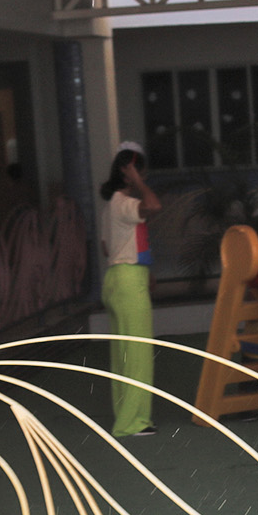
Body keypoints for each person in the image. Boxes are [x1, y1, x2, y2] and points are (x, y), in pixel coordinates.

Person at [98, 142, 160, 439]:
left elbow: (106, 247)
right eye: (140, 173)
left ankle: (126, 419)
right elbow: (154, 206)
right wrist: (138, 182)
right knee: (137, 356)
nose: (142, 179)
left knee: (123, 357)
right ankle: (133, 422)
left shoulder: (111, 206)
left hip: (117, 278)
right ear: (129, 173)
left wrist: (145, 271)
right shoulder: (123, 202)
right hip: (128, 281)